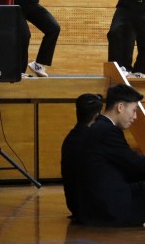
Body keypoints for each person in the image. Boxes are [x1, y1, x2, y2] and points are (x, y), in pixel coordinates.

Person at [78, 84, 145, 227]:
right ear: (120, 107)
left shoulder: (99, 127)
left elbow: (126, 165)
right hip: (111, 210)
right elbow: (134, 162)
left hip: (96, 204)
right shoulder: (108, 131)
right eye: (134, 110)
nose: (135, 117)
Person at [61, 93, 103, 221]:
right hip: (92, 207)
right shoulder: (94, 139)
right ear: (97, 115)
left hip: (75, 205)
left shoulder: (70, 138)